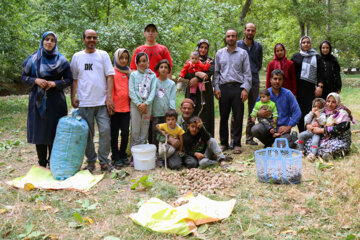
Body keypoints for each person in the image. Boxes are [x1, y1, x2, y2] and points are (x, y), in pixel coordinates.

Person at [22, 31, 73, 168]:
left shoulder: (61, 60)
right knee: (40, 131)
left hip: (56, 100)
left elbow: (69, 79)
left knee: (54, 131)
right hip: (37, 100)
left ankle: (53, 162)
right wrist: (36, 80)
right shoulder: (33, 59)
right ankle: (41, 163)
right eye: (47, 39)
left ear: (55, 43)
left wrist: (55, 83)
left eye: (52, 40)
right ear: (42, 41)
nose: (49, 42)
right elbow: (24, 77)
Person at [70, 29, 115, 172]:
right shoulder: (77, 57)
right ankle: (90, 161)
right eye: (89, 37)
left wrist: (109, 98)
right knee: (87, 134)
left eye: (94, 38)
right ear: (83, 39)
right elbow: (74, 78)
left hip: (102, 102)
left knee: (106, 131)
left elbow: (110, 76)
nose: (92, 40)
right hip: (84, 102)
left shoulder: (103, 55)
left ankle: (104, 160)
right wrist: (73, 96)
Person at [130, 23, 173, 145]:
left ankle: (157, 146)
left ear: (156, 34)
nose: (150, 33)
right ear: (144, 33)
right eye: (148, 30)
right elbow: (133, 69)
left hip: (158, 87)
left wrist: (168, 87)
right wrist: (139, 99)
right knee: (139, 122)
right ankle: (138, 148)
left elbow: (169, 68)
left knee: (156, 117)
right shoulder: (139, 50)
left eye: (153, 31)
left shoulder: (163, 49)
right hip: (141, 92)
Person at [213, 29, 252, 154]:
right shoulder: (219, 53)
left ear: (237, 38)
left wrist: (246, 88)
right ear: (226, 38)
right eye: (228, 36)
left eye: (233, 36)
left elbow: (247, 73)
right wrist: (216, 87)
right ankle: (224, 143)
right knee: (223, 117)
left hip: (238, 88)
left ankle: (236, 143)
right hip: (224, 88)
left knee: (238, 116)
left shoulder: (243, 53)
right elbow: (216, 73)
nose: (230, 38)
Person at [251, 69, 301, 148]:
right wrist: (258, 113)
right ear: (270, 80)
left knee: (282, 149)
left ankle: (293, 138)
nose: (277, 81)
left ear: (282, 81)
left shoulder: (288, 94)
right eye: (275, 79)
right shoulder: (265, 94)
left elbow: (297, 112)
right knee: (255, 129)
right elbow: (254, 109)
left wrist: (289, 126)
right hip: (268, 128)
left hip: (283, 130)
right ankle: (269, 143)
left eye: (280, 79)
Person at [304, 93, 355, 161]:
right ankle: (323, 154)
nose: (330, 104)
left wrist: (320, 130)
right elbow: (310, 119)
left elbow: (338, 129)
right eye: (328, 101)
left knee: (338, 146)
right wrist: (308, 126)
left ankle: (322, 154)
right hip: (326, 138)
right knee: (309, 142)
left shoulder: (342, 113)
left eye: (333, 102)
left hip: (339, 139)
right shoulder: (324, 110)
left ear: (337, 102)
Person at [236, 22, 263, 146]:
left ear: (255, 32)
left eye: (252, 30)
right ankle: (234, 139)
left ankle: (249, 137)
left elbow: (259, 64)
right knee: (237, 109)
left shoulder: (258, 46)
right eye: (248, 30)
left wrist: (252, 73)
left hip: (254, 81)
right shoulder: (237, 45)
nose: (250, 32)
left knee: (253, 110)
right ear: (244, 31)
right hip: (239, 81)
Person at [291, 36, 324, 132]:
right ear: (300, 44)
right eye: (304, 42)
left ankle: (311, 132)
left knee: (311, 110)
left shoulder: (317, 57)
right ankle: (302, 132)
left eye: (308, 42)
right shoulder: (296, 56)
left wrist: (320, 87)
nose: (306, 44)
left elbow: (321, 73)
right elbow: (292, 73)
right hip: (298, 89)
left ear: (311, 44)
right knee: (299, 111)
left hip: (311, 89)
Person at [184, 39, 215, 136]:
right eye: (201, 47)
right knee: (191, 112)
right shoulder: (190, 59)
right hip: (192, 91)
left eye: (206, 48)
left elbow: (209, 73)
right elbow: (185, 74)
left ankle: (207, 140)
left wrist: (196, 78)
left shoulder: (210, 61)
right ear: (198, 48)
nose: (203, 50)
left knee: (206, 114)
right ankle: (190, 139)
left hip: (206, 91)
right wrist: (197, 73)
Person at [128, 52, 156, 146]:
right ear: (136, 63)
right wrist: (139, 104)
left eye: (144, 61)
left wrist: (146, 104)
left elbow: (153, 91)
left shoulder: (152, 75)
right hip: (135, 106)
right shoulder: (133, 75)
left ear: (147, 61)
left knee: (144, 129)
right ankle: (134, 153)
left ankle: (142, 151)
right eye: (139, 61)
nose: (142, 63)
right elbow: (131, 91)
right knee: (135, 130)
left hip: (148, 106)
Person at [110, 48, 131, 169]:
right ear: (116, 58)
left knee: (125, 133)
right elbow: (111, 90)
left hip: (126, 109)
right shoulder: (112, 72)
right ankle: (115, 156)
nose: (123, 60)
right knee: (114, 134)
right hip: (115, 109)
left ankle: (122, 154)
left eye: (126, 58)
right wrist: (111, 106)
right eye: (121, 58)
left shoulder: (129, 73)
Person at [151, 59, 176, 157]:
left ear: (169, 70)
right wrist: (150, 112)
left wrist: (172, 112)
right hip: (155, 113)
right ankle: (155, 154)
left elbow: (172, 98)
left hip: (166, 114)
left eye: (166, 67)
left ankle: (164, 154)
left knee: (165, 134)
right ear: (158, 69)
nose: (163, 69)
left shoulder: (171, 84)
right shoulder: (154, 82)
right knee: (154, 134)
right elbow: (151, 97)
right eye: (161, 67)